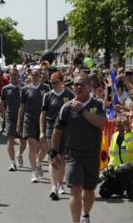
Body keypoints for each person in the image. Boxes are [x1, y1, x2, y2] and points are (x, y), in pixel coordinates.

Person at [51, 73, 107, 223]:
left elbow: (101, 123)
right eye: (76, 84)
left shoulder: (97, 104)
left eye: (82, 83)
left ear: (89, 86)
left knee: (89, 190)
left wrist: (82, 111)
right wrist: (54, 152)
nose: (78, 87)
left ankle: (85, 214)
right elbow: (57, 131)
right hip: (73, 155)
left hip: (91, 155)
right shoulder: (66, 107)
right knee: (75, 189)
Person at [40, 72, 74, 200]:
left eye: (55, 82)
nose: (52, 84)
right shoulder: (48, 96)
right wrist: (42, 131)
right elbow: (43, 114)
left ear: (61, 81)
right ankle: (53, 187)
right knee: (53, 158)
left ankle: (60, 184)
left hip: (66, 131)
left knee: (63, 159)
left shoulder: (69, 95)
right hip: (51, 129)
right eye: (51, 82)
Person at [17, 69, 50, 183]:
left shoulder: (46, 88)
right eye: (33, 74)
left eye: (37, 74)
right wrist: (19, 123)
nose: (35, 76)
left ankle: (39, 162)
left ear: (40, 75)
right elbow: (22, 107)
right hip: (29, 119)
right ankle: (34, 172)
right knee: (32, 146)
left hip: (43, 120)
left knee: (44, 147)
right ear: (30, 75)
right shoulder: (25, 89)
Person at [0, 69, 26, 171]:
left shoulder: (24, 88)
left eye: (15, 75)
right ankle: (12, 162)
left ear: (19, 76)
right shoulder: (5, 88)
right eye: (12, 75)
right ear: (9, 76)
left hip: (22, 117)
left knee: (23, 141)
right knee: (10, 140)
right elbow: (2, 102)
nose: (14, 76)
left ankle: (20, 154)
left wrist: (20, 88)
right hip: (10, 117)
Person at [99, 116, 133, 199]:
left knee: (122, 170)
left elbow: (131, 147)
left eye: (122, 125)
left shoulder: (131, 134)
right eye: (117, 125)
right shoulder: (114, 136)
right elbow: (112, 155)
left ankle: (131, 192)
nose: (119, 128)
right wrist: (110, 167)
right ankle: (120, 188)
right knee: (104, 192)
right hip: (118, 170)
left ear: (126, 125)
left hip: (130, 168)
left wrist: (128, 131)